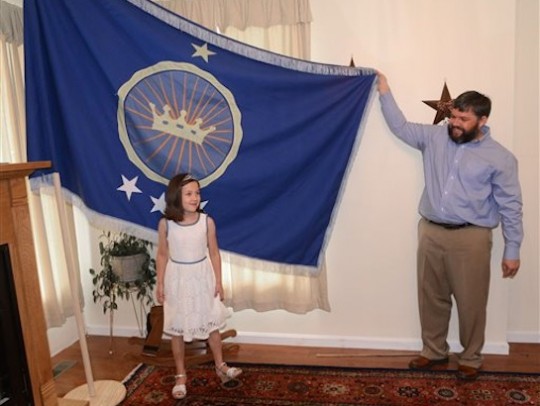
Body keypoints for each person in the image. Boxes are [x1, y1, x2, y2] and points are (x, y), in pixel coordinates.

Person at [376, 72, 523, 380]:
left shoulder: (500, 158)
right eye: (454, 116)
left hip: (471, 238)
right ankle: (433, 351)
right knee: (431, 296)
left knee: (471, 301)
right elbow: (400, 127)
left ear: (482, 121)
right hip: (430, 231)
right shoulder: (434, 137)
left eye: (463, 119)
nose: (454, 123)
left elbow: (511, 205)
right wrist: (385, 91)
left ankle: (471, 357)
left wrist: (512, 249)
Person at [156, 173, 242, 399]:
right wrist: (160, 283)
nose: (195, 198)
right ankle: (181, 374)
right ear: (176, 196)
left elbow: (214, 253)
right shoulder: (166, 224)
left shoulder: (207, 222)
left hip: (202, 277)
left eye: (197, 193)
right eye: (189, 193)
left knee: (211, 323)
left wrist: (219, 281)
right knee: (177, 328)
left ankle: (220, 364)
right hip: (178, 280)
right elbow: (163, 255)